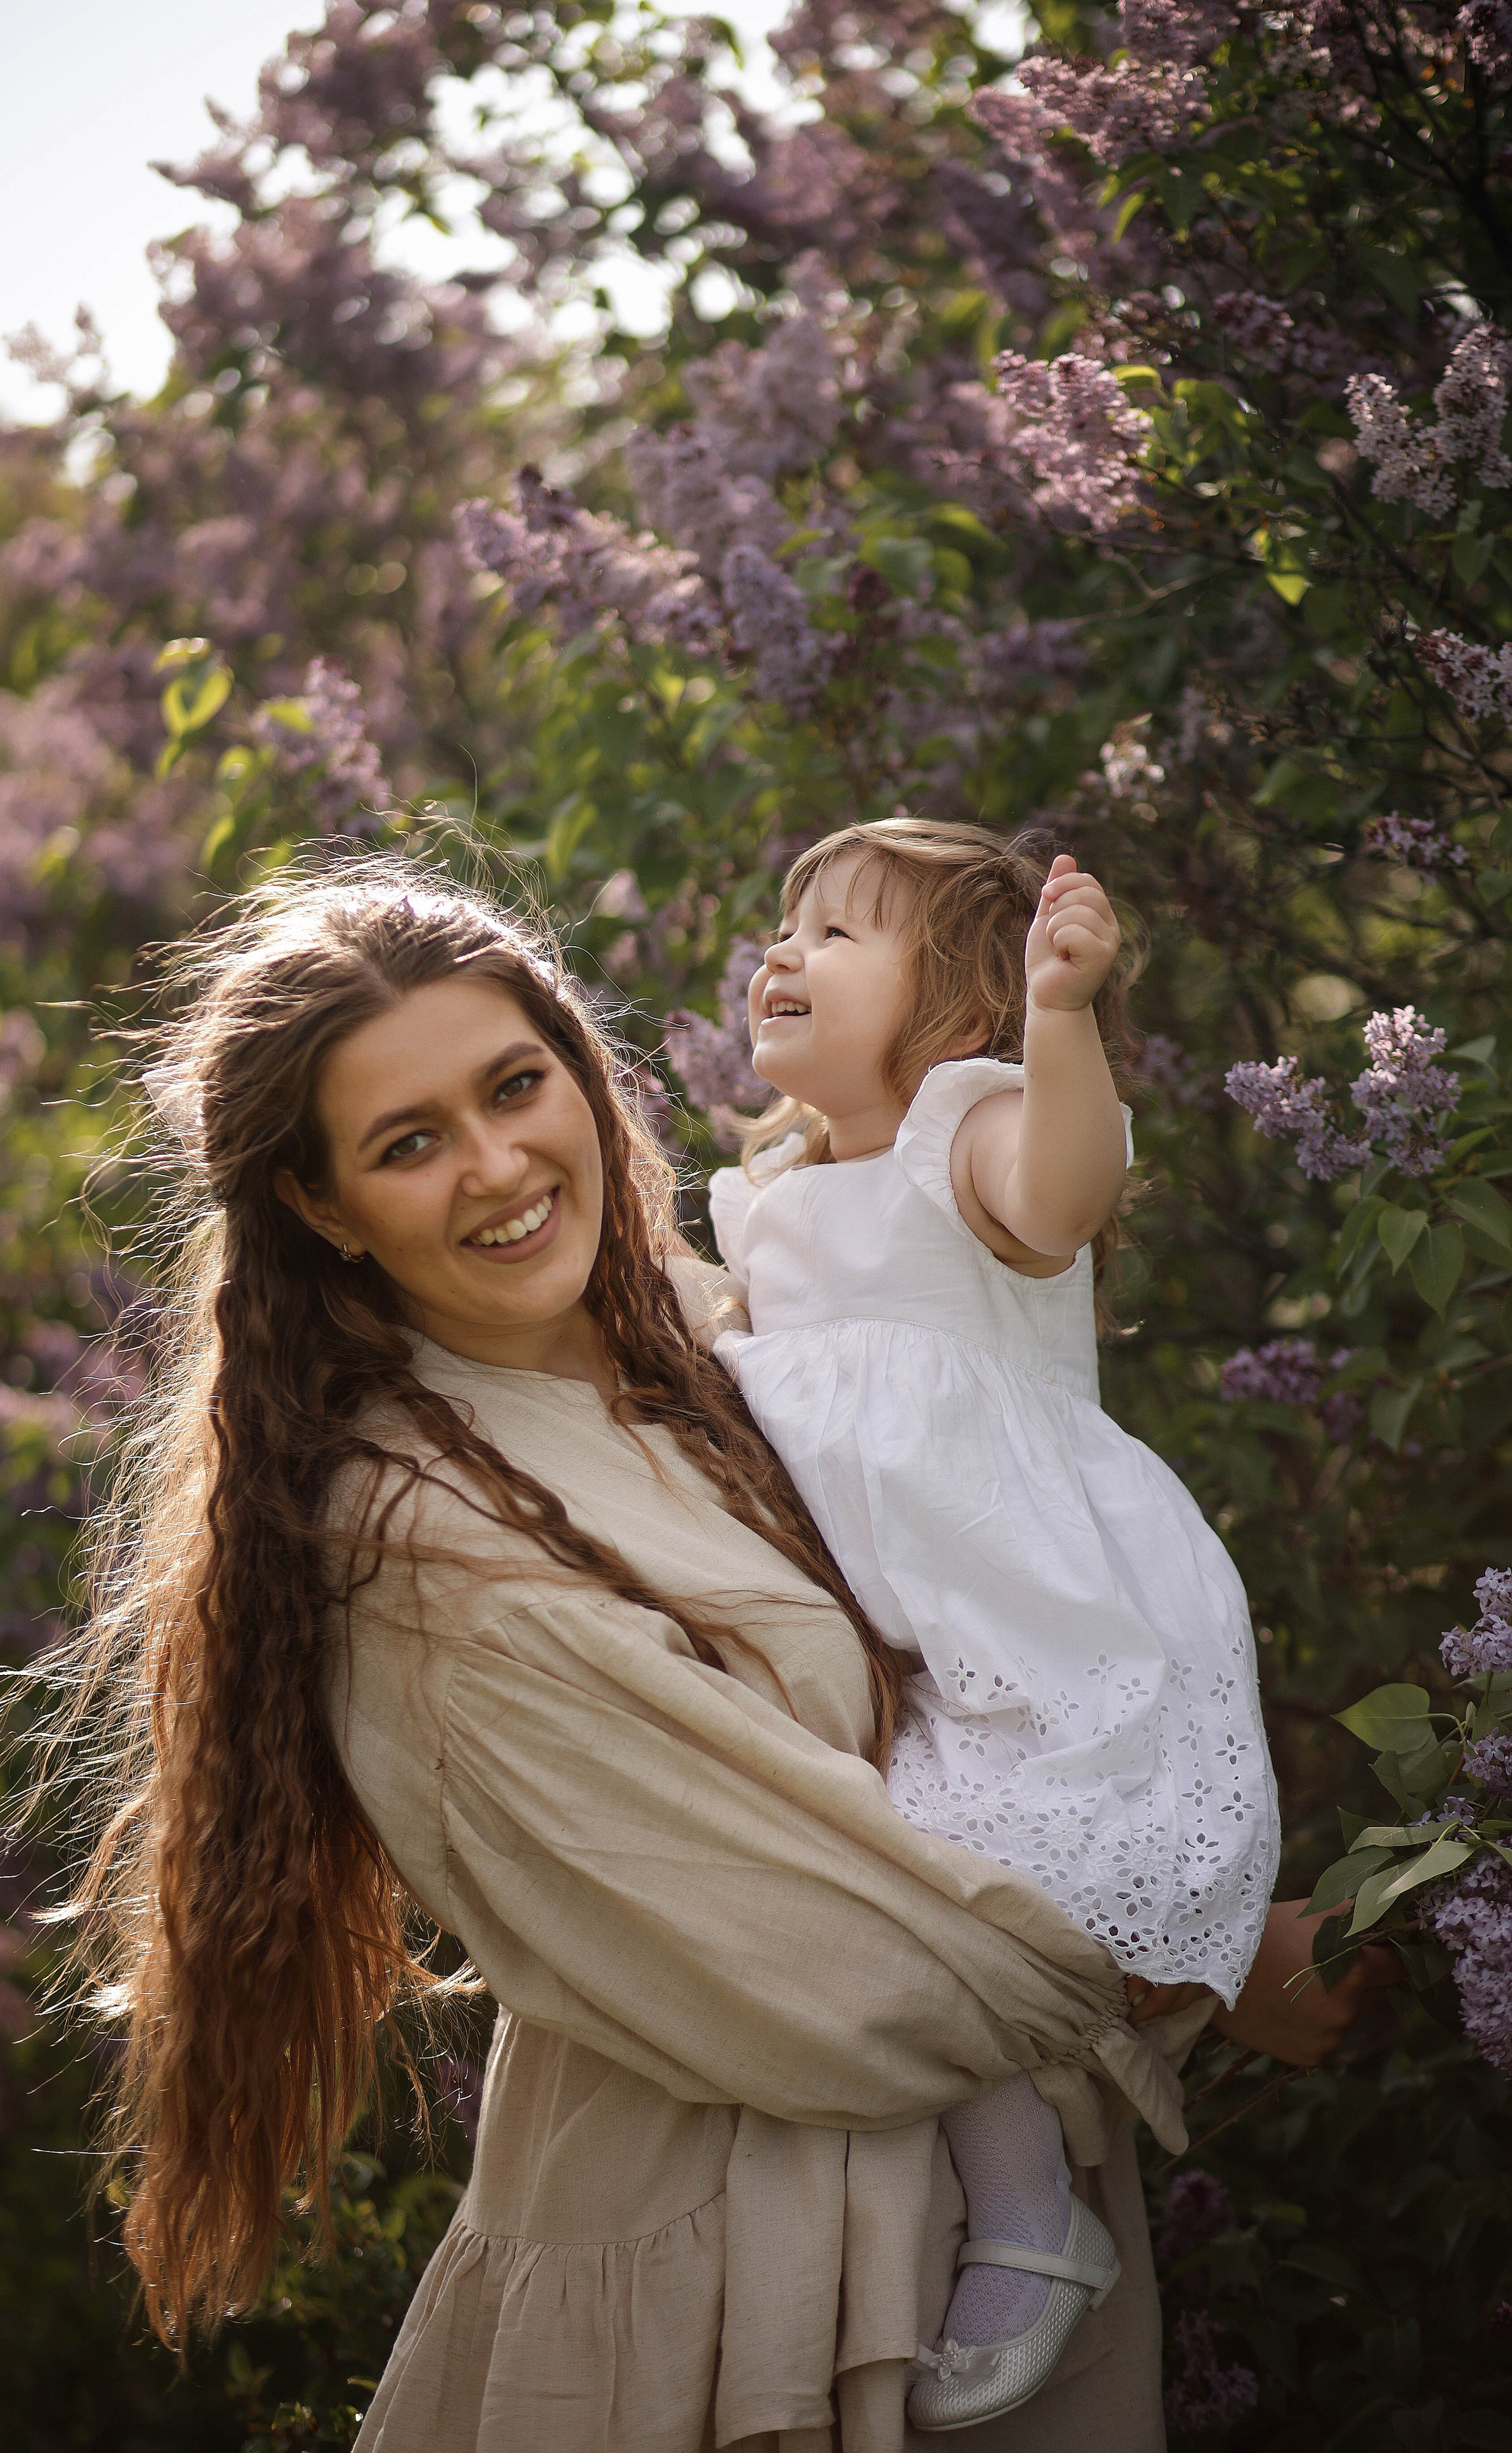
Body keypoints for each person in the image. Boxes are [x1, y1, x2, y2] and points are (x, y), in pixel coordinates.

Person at [37, 856, 1389, 2453]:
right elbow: (822, 1966)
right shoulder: (413, 1547)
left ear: (579, 1075)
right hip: (729, 2301)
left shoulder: (713, 1333)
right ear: (322, 1209)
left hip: (956, 2238)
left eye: (514, 1086)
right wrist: (1189, 1955)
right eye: (408, 1144)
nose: (496, 1165)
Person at [707, 819, 1280, 2427]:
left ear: (950, 1001)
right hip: (880, 1647)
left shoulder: (968, 1137)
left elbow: (1069, 1189)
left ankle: (1030, 2222)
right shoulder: (765, 1200)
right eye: (782, 925)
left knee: (965, 1886)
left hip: (1025, 1618)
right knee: (896, 1875)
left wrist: (1061, 1015)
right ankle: (1030, 2206)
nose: (782, 954)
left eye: (836, 934)